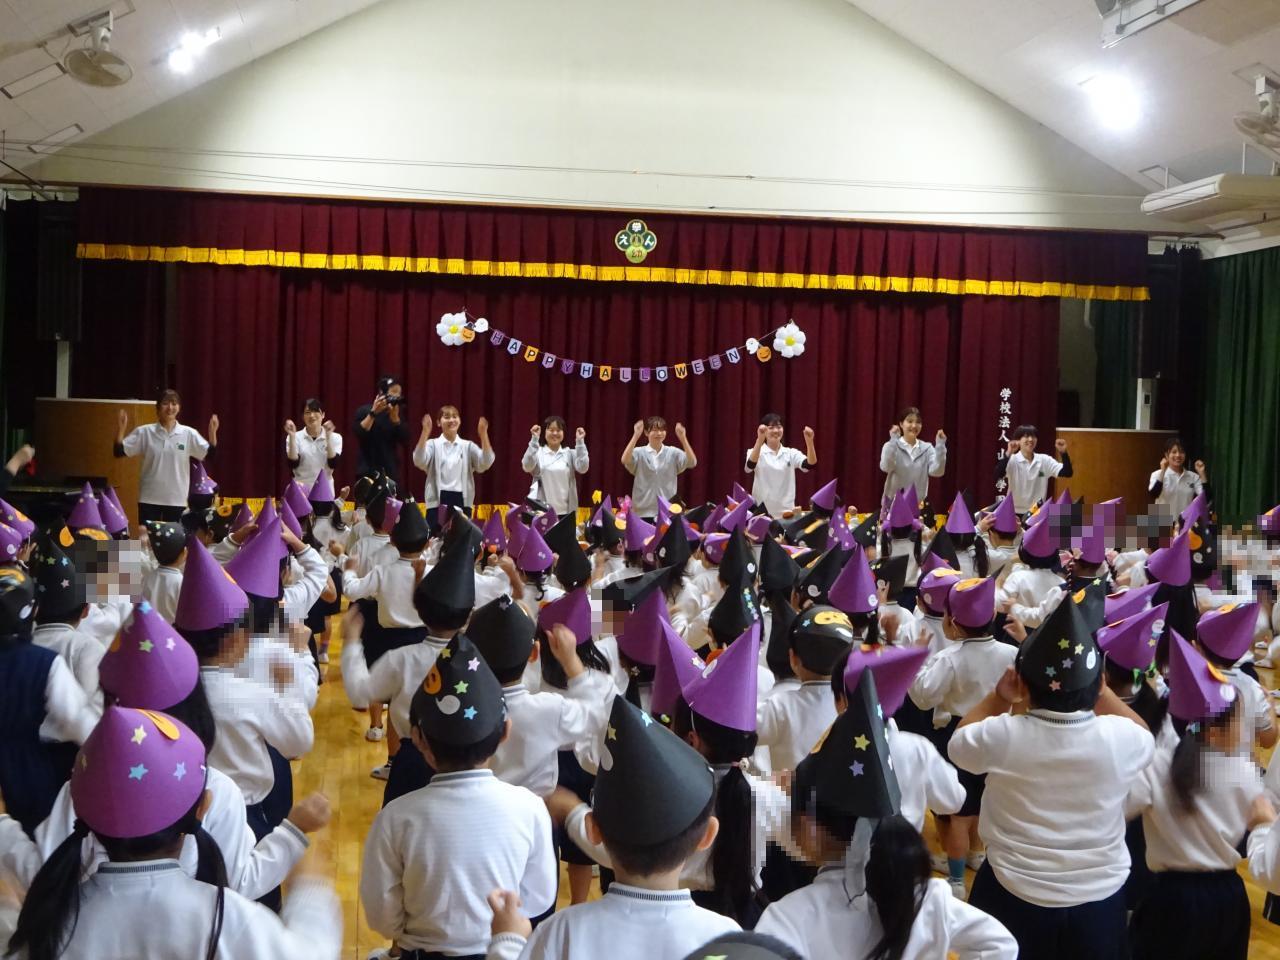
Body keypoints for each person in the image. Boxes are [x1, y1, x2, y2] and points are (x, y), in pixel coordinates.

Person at [5, 706, 341, 960]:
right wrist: (310, 891)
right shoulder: (228, 918)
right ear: (203, 807)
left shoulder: (53, 925)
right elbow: (310, 952)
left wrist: (7, 912)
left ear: (80, 814)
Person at [949, 591, 1154, 960]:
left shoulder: (1005, 735)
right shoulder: (1120, 739)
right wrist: (1102, 691)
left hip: (1012, 890)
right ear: (1099, 683)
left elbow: (959, 745)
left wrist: (1000, 698)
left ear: (1022, 685)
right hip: (1098, 899)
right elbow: (1143, 734)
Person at [485, 696, 738, 960]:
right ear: (707, 835)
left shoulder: (562, 931)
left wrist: (507, 941)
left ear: (592, 830)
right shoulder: (725, 938)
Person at [360, 632, 557, 960]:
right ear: (505, 732)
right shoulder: (531, 807)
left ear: (418, 739)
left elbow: (381, 913)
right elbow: (539, 897)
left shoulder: (395, 816)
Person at [1125, 632, 1259, 960]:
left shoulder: (1156, 763)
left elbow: (1120, 809)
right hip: (1228, 897)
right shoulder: (1243, 769)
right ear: (1217, 727)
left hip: (1171, 899)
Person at [115, 389, 218, 523]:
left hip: (176, 499)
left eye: (174, 403)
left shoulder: (188, 434)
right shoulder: (144, 432)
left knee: (175, 536)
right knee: (147, 536)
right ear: (158, 408)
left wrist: (212, 434)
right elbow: (119, 451)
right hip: (149, 498)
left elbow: (209, 455)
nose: (170, 407)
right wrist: (121, 429)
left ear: (179, 408)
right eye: (165, 403)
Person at [413, 405, 495, 533]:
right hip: (438, 501)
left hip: (462, 500)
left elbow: (485, 463)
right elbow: (419, 460)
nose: (451, 420)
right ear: (438, 422)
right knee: (436, 539)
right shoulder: (432, 444)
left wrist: (484, 435)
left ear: (460, 421)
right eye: (446, 417)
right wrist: (425, 433)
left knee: (461, 539)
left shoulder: (467, 446)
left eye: (455, 416)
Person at [622, 416, 697, 521]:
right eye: (655, 430)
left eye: (662, 430)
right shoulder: (639, 452)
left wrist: (683, 438)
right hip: (642, 512)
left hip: (667, 512)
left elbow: (692, 462)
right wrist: (635, 436)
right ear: (646, 432)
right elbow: (625, 460)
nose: (659, 433)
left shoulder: (673, 452)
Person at [745, 414, 817, 518]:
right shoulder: (755, 451)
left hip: (787, 514)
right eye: (771, 428)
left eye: (779, 427)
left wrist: (810, 442)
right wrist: (760, 440)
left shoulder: (790, 453)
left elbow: (810, 464)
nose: (776, 431)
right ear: (764, 430)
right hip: (761, 515)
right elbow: (749, 466)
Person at [522, 416, 589, 518]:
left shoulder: (569, 453)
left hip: (566, 513)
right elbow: (527, 466)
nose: (555, 433)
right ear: (544, 432)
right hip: (541, 512)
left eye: (558, 430)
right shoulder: (538, 452)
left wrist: (580, 442)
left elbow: (583, 468)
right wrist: (534, 440)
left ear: (563, 433)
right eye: (551, 430)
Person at [998, 425, 1072, 516]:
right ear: (1018, 441)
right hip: (1013, 511)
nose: (1030, 439)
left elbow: (1067, 472)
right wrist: (1009, 452)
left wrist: (1063, 453)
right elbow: (998, 474)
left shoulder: (1044, 460)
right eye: (1026, 436)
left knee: (1066, 517)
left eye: (1033, 436)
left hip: (1037, 512)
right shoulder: (1012, 460)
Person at [880, 406, 947, 507]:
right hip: (893, 506)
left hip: (917, 507)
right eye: (910, 421)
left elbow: (937, 472)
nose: (914, 425)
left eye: (918, 422)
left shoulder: (927, 448)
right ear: (901, 424)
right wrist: (893, 441)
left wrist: (940, 446)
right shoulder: (891, 446)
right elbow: (886, 467)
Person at [353, 375, 409, 484]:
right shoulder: (364, 411)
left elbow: (405, 439)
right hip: (366, 471)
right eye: (394, 392)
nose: (397, 396)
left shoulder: (397, 415)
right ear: (382, 392)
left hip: (389, 472)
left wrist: (396, 419)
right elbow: (360, 433)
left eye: (399, 393)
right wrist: (373, 413)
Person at [1148, 437, 1209, 520]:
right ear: (1166, 455)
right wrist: (1163, 471)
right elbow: (1153, 494)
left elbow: (1206, 499)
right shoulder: (1157, 474)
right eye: (1174, 452)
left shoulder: (1193, 477)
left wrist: (1202, 474)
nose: (1178, 455)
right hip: (1161, 522)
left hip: (1184, 523)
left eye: (1181, 452)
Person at [285, 399, 342, 486]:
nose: (311, 415)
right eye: (307, 412)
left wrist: (328, 438)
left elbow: (333, 464)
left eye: (315, 411)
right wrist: (292, 436)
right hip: (301, 488)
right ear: (303, 417)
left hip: (324, 488)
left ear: (323, 414)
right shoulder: (294, 437)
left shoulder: (335, 437)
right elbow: (293, 464)